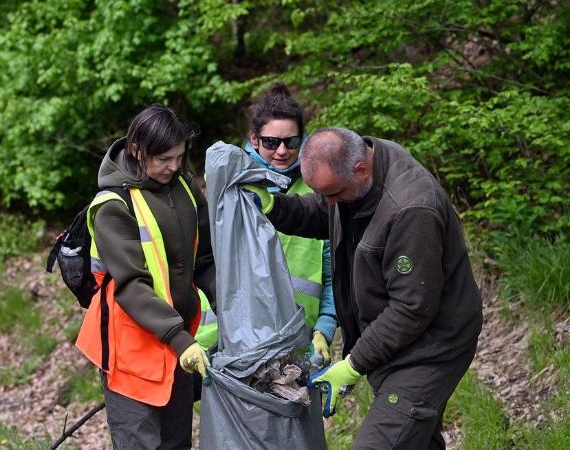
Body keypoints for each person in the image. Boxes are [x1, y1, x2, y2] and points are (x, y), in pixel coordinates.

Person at [247, 127, 483, 449]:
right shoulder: (360, 171)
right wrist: (275, 207)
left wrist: (354, 364)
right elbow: (321, 211)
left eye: (334, 194)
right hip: (397, 341)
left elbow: (412, 307)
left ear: (360, 169)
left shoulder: (410, 209)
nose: (329, 203)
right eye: (324, 194)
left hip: (431, 347)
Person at [75, 105, 217, 449]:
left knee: (176, 443)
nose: (173, 166)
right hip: (130, 350)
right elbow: (131, 285)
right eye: (164, 159)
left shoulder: (183, 187)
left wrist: (230, 305)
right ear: (138, 151)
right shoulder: (113, 205)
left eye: (179, 157)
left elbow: (205, 260)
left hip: (178, 343)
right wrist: (179, 338)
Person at [196, 83, 338, 365]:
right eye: (272, 142)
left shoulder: (317, 192)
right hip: (228, 343)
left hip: (296, 343)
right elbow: (205, 261)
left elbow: (332, 270)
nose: (282, 151)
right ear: (254, 138)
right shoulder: (232, 185)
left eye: (292, 142)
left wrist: (325, 327)